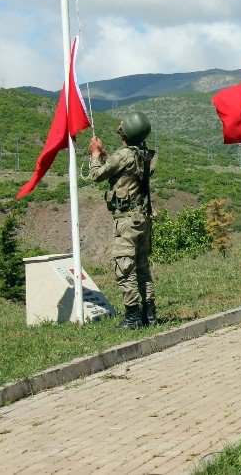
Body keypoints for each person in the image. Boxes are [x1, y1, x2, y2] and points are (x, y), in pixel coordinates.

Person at [88, 112, 156, 330]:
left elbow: (97, 175)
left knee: (125, 268)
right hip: (142, 219)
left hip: (126, 221)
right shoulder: (143, 154)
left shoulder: (124, 154)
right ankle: (149, 315)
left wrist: (95, 155)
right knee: (143, 268)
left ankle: (132, 318)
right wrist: (110, 158)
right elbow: (123, 170)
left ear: (126, 132)